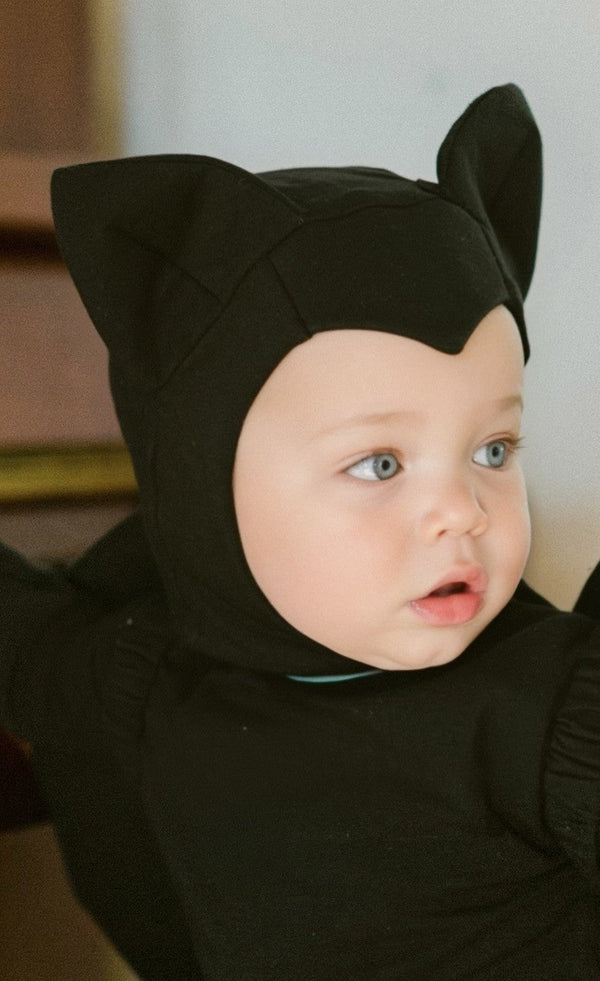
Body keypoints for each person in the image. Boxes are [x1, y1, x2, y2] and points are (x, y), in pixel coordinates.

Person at [1, 84, 599, 979]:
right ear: (206, 487)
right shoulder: (142, 670)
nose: (465, 510)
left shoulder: (541, 708)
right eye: (380, 464)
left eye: (494, 446)